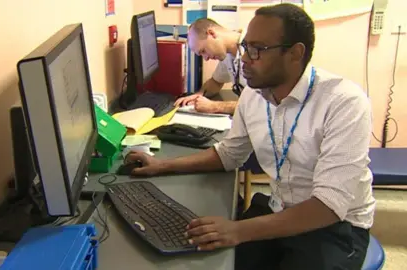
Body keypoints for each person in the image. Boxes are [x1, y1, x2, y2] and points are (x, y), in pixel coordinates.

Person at [124, 3, 376, 270]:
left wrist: (238, 231)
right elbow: (229, 155)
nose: (244, 59)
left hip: (333, 226)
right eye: (245, 47)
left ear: (295, 53)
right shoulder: (253, 96)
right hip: (278, 208)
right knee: (209, 260)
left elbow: (328, 206)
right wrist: (161, 166)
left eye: (258, 50)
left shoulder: (343, 102)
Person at [174, 18, 247, 115]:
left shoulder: (255, 48)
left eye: (203, 51)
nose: (206, 58)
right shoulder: (227, 54)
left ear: (211, 33)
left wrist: (214, 106)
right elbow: (216, 82)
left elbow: (259, 106)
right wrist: (198, 95)